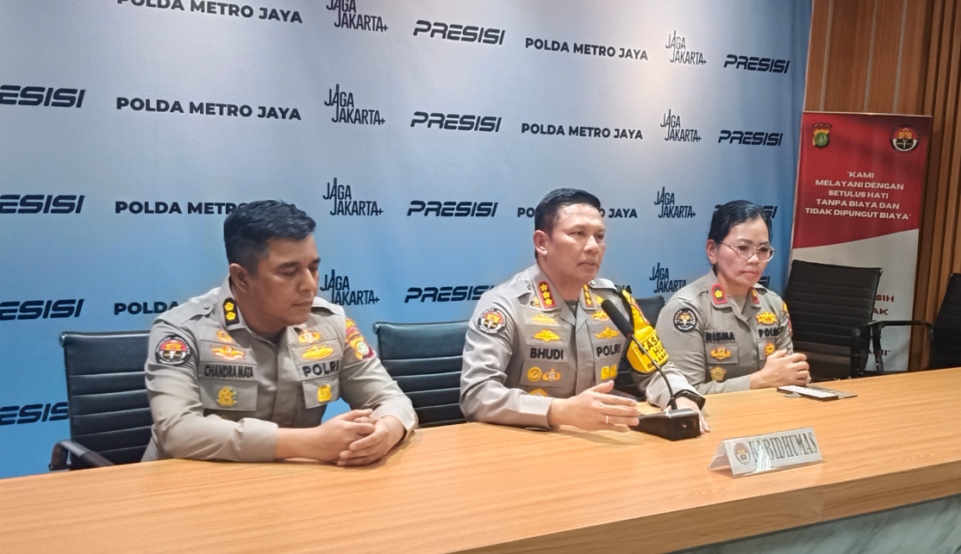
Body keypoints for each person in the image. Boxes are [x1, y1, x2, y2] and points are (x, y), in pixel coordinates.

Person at [143, 200, 415, 465]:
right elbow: (177, 431)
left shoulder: (331, 322)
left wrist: (386, 431)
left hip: (292, 482)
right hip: (189, 484)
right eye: (288, 272)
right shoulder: (182, 329)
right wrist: (310, 443)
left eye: (313, 268)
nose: (309, 285)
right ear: (241, 277)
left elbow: (389, 398)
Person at [460, 188, 706, 431]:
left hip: (601, 440)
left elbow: (657, 370)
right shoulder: (504, 305)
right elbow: (477, 394)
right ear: (542, 242)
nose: (593, 247)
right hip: (527, 443)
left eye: (599, 236)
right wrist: (561, 411)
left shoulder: (616, 302)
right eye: (578, 234)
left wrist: (681, 397)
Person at [657, 200, 809, 394]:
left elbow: (787, 375)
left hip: (769, 409)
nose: (754, 259)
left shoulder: (773, 304)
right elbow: (683, 394)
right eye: (743, 248)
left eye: (763, 250)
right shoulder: (686, 309)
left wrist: (797, 376)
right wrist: (759, 381)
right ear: (712, 250)